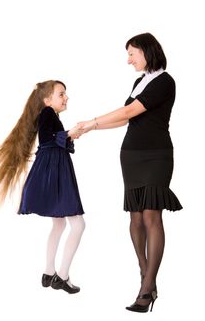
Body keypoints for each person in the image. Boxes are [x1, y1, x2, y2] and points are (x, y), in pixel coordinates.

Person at [77, 33, 182, 311]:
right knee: (135, 218)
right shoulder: (140, 82)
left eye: (132, 53)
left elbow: (128, 112)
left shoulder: (164, 81)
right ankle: (146, 277)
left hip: (156, 155)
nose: (128, 60)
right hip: (131, 155)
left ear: (147, 51)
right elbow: (127, 118)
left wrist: (91, 121)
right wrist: (91, 128)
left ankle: (146, 289)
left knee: (151, 216)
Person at [0, 80, 85, 294]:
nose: (66, 97)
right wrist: (71, 132)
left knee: (59, 225)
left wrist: (71, 134)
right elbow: (48, 140)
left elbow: (52, 140)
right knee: (78, 225)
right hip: (55, 170)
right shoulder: (48, 113)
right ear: (47, 100)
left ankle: (48, 273)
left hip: (53, 168)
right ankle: (62, 276)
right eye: (61, 94)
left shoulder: (50, 115)